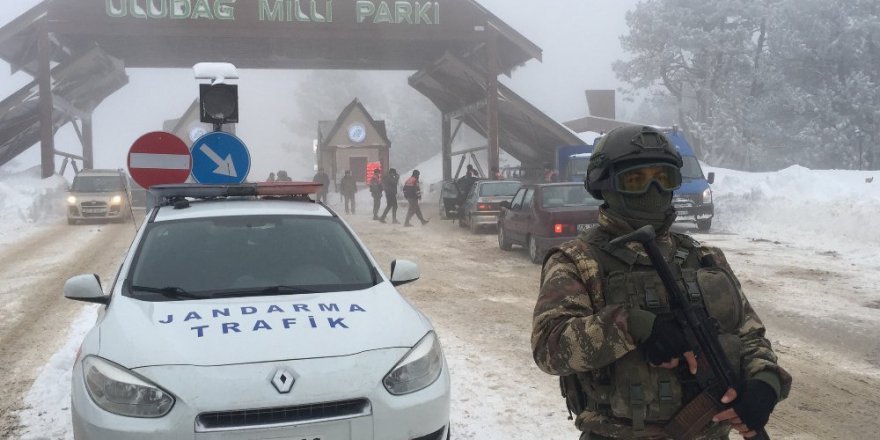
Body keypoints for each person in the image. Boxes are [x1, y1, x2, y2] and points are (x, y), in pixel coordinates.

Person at [531, 126, 791, 440]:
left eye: (663, 178)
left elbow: (749, 334)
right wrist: (634, 326)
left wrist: (765, 382)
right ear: (604, 184)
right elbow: (549, 348)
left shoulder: (704, 258)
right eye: (636, 180)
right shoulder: (578, 260)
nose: (653, 189)